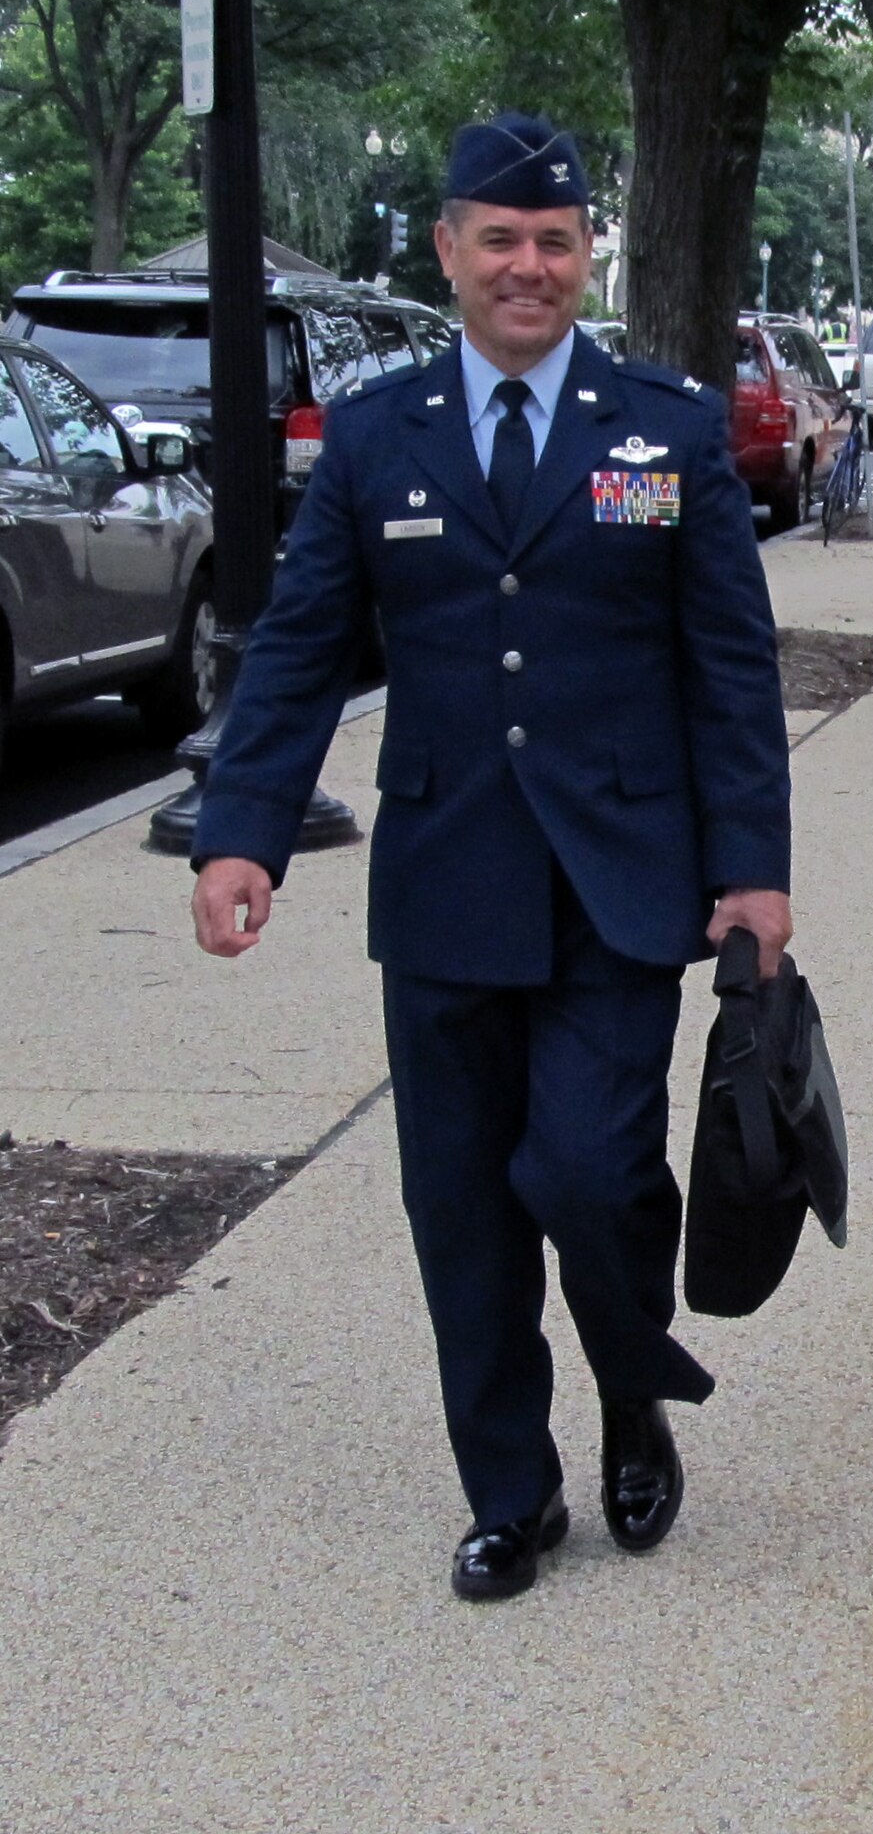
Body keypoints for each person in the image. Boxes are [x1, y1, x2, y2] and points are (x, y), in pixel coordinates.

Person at [188, 113, 793, 1602]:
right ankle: (510, 1495)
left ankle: (631, 1383)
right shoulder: (375, 434)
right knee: (459, 1208)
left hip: (621, 879)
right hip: (447, 881)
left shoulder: (666, 425)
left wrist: (753, 866)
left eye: (556, 241)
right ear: (451, 251)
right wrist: (243, 830)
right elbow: (302, 647)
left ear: (590, 256)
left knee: (588, 1173)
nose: (529, 266)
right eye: (499, 239)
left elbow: (729, 663)